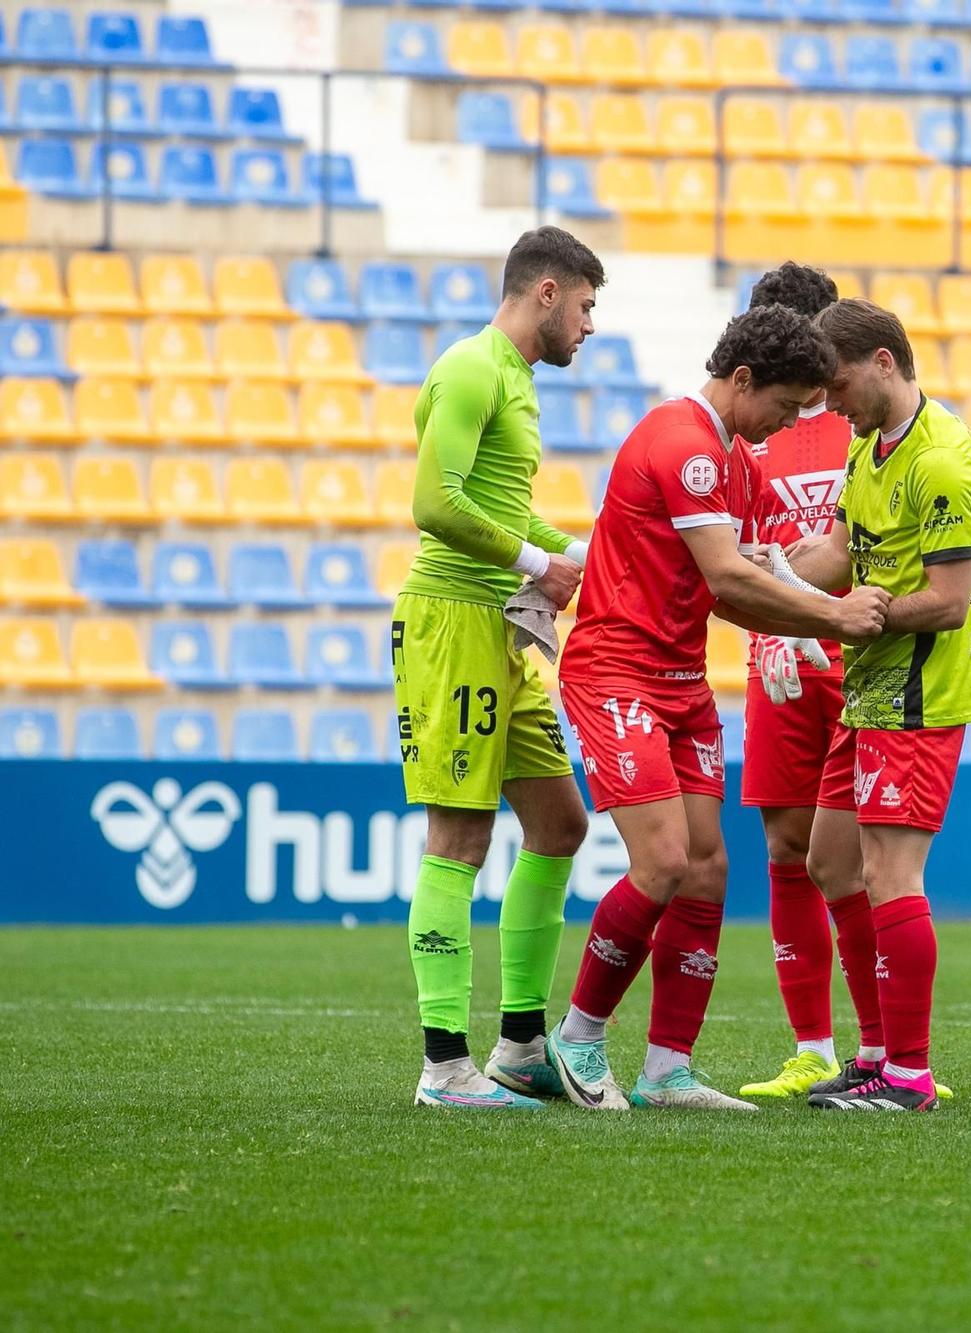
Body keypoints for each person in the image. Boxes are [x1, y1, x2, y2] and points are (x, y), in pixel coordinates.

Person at [546, 305, 891, 1112]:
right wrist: (831, 616)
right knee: (663, 859)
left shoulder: (737, 459)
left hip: (680, 680)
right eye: (783, 404)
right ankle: (580, 1035)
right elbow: (732, 580)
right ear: (743, 381)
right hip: (616, 674)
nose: (784, 425)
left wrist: (793, 625)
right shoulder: (683, 445)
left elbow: (728, 591)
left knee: (706, 869)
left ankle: (667, 1068)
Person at [395, 226, 604, 1111]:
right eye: (587, 306)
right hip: (453, 620)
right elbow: (434, 503)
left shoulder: (516, 380)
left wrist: (590, 552)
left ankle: (520, 1044)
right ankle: (444, 1067)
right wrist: (538, 564)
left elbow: (502, 511)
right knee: (461, 838)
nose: (591, 327)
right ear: (546, 292)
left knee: (560, 824)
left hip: (508, 628)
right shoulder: (475, 366)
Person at [788, 299, 971, 1114]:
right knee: (830, 862)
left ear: (881, 361)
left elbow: (947, 600)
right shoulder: (868, 447)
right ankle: (873, 1052)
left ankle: (908, 1071)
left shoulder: (943, 460)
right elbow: (840, 553)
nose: (831, 407)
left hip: (919, 691)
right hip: (866, 687)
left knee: (891, 872)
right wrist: (779, 569)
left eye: (836, 387)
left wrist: (862, 610)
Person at [724, 264, 891, 1102]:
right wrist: (768, 626)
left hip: (857, 659)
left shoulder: (866, 424)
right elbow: (740, 553)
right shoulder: (746, 431)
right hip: (781, 662)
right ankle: (814, 1048)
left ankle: (885, 1046)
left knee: (859, 860)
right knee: (787, 847)